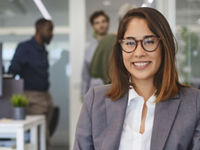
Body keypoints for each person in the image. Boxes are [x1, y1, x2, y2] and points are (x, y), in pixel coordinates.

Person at [74, 7, 200, 150]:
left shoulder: (194, 103)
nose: (139, 53)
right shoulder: (95, 100)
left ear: (165, 46)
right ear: (120, 49)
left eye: (149, 42)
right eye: (129, 43)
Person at [8, 18, 54, 149]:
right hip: (32, 97)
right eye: (49, 29)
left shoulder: (43, 49)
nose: (51, 33)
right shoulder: (25, 48)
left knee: (44, 134)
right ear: (39, 29)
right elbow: (12, 71)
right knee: (41, 138)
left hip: (46, 96)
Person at [81, 10, 109, 97]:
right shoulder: (89, 49)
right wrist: (84, 94)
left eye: (103, 21)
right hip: (94, 92)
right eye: (97, 23)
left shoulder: (114, 44)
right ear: (93, 26)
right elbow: (85, 74)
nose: (101, 25)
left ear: (108, 23)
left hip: (113, 90)